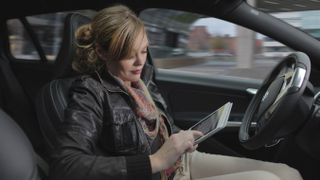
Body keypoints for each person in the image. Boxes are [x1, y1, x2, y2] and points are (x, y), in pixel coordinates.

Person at [49, 4, 303, 180]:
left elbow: (155, 131)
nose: (139, 62)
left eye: (144, 50)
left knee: (288, 173)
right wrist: (157, 160)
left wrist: (179, 140)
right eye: (127, 54)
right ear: (103, 53)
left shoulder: (141, 79)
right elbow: (66, 166)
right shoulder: (89, 92)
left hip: (180, 163)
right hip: (159, 173)